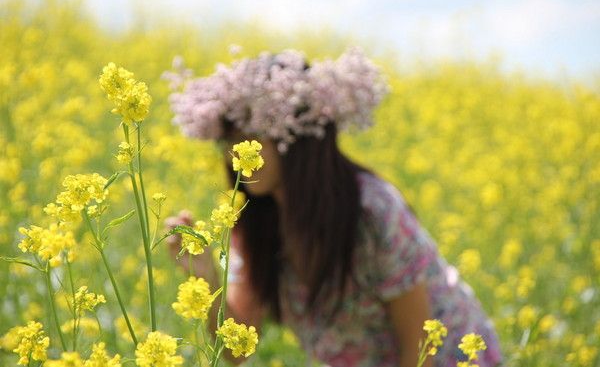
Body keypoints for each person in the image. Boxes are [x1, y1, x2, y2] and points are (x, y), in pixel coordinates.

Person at [162, 47, 503, 367]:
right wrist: (204, 277)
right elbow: (237, 350)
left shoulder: (373, 212)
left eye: (252, 137)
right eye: (229, 139)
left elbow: (420, 346)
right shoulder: (257, 224)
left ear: (299, 136)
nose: (236, 152)